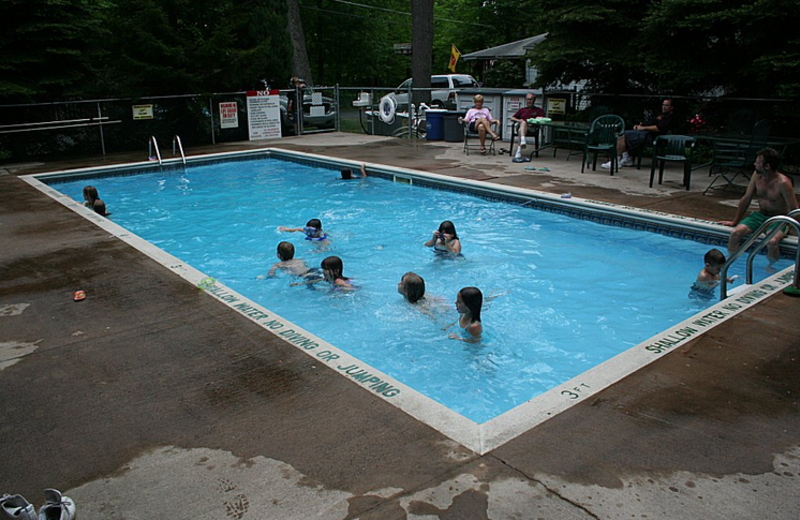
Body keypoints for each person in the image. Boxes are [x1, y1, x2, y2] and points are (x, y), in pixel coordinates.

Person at [719, 147, 798, 264]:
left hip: (778, 218)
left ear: (767, 166)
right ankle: (732, 264)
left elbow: (794, 209)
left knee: (771, 242)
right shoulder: (757, 176)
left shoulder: (783, 183)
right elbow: (746, 198)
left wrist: (797, 229)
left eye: (758, 162)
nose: (754, 164)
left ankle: (770, 270)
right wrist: (735, 221)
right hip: (760, 216)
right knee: (735, 234)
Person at [602, 98, 674, 169]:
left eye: (667, 105)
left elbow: (658, 128)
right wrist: (640, 125)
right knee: (623, 135)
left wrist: (643, 128)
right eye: (663, 105)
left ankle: (616, 161)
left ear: (671, 107)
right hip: (645, 133)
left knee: (622, 136)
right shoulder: (660, 115)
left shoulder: (669, 117)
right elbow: (651, 122)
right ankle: (627, 159)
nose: (664, 107)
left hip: (652, 136)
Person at [509, 93, 545, 162]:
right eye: (528, 99)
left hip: (531, 128)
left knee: (520, 130)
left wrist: (533, 122)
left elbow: (542, 119)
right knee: (523, 122)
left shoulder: (538, 110)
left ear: (534, 100)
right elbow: (512, 118)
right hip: (522, 126)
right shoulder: (522, 110)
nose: (529, 101)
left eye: (531, 99)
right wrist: (518, 120)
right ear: (526, 100)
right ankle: (522, 141)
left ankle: (519, 151)